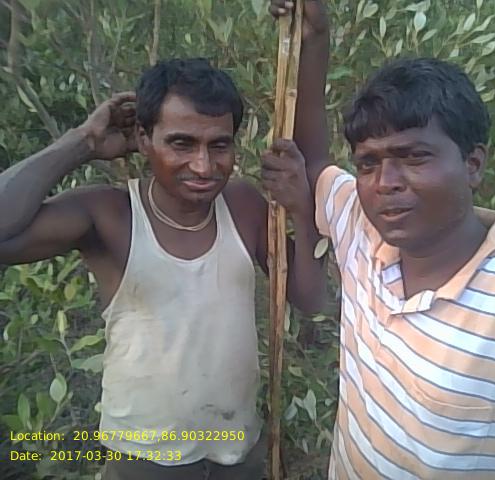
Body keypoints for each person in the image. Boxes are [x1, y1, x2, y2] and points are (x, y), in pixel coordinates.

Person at [267, 1, 495, 478]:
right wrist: (313, 37)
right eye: (368, 163)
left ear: (473, 165)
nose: (385, 182)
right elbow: (315, 161)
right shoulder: (361, 227)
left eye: (414, 157)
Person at [0, 53, 325, 480]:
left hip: (236, 449)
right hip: (144, 458)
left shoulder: (243, 206)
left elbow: (310, 298)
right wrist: (83, 142)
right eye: (181, 143)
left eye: (219, 145)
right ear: (143, 137)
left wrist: (302, 210)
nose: (203, 166)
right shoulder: (112, 216)